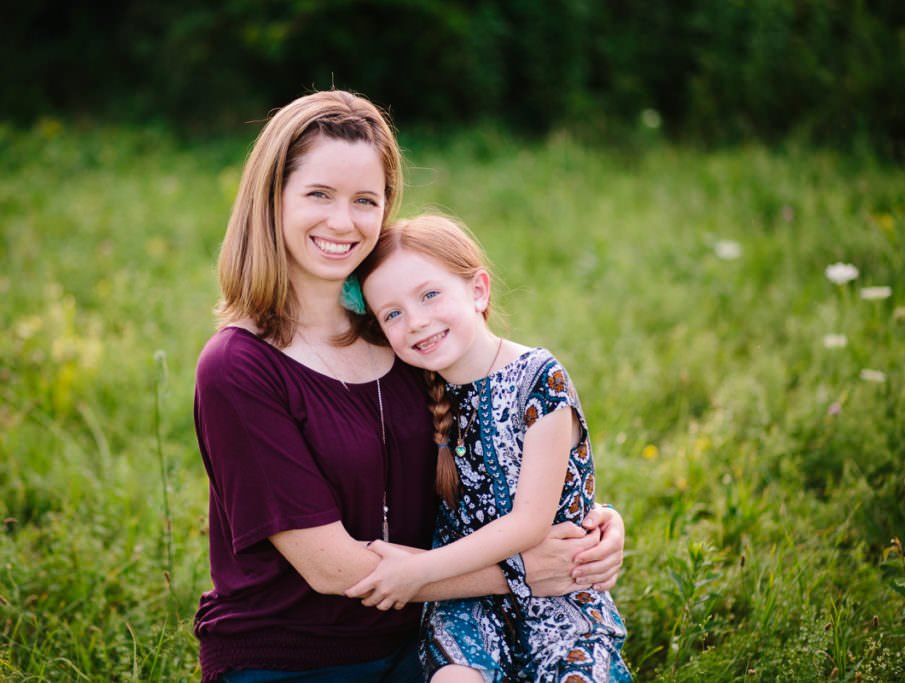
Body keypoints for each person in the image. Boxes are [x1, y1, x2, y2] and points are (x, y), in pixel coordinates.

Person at [193, 89, 626, 683]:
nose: (342, 222)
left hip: (427, 639)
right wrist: (530, 568)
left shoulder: (404, 336)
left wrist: (587, 519)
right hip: (290, 658)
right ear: (272, 199)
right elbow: (334, 571)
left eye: (365, 200)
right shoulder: (239, 367)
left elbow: (495, 448)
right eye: (318, 194)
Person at [349, 214, 631, 682]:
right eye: (393, 313)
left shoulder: (540, 381)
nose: (417, 322)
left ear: (478, 290)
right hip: (468, 602)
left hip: (559, 593)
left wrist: (417, 572)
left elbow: (528, 524)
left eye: (430, 294)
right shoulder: (413, 394)